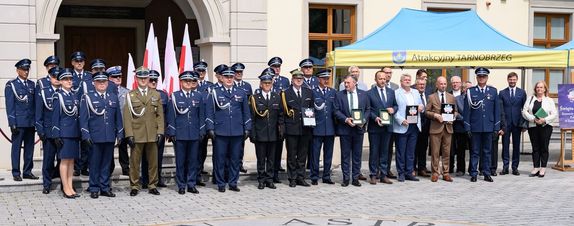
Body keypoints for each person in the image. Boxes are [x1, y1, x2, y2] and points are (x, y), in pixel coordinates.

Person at [206, 68, 252, 192]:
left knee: (235, 158)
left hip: (237, 130)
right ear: (222, 78)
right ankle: (221, 183)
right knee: (220, 159)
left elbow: (246, 112)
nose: (229, 79)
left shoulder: (241, 92)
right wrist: (210, 128)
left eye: (231, 77)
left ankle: (233, 182)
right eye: (227, 77)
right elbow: (210, 112)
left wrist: (247, 127)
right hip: (221, 130)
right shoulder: (215, 92)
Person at [79, 71, 123, 199]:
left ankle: (105, 187)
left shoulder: (113, 97)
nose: (102, 84)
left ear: (108, 82)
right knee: (94, 163)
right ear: (94, 83)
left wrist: (120, 133)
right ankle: (94, 187)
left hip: (109, 135)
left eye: (104, 81)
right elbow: (84, 119)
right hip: (95, 136)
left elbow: (118, 118)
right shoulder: (87, 97)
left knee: (106, 163)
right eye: (99, 82)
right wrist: (85, 135)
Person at [123, 67, 164, 196]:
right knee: (135, 162)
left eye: (145, 78)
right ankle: (134, 185)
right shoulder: (130, 95)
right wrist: (129, 134)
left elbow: (160, 115)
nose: (143, 80)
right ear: (136, 79)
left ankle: (152, 185)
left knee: (153, 162)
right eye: (140, 78)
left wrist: (160, 131)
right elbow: (127, 116)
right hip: (137, 133)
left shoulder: (156, 94)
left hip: (152, 133)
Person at [166, 71, 205, 194]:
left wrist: (202, 130)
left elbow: (201, 115)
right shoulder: (175, 96)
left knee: (193, 160)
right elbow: (171, 116)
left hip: (194, 133)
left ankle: (191, 184)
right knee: (180, 161)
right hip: (180, 134)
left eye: (190, 81)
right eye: (185, 81)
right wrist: (172, 132)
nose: (188, 83)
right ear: (181, 82)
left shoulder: (198, 96)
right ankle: (181, 185)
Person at [249, 68, 284, 189]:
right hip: (260, 133)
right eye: (265, 83)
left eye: (269, 83)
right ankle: (261, 180)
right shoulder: (254, 98)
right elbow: (252, 118)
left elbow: (280, 116)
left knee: (271, 159)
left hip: (273, 134)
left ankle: (269, 179)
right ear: (261, 84)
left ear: (272, 83)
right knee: (261, 159)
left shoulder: (277, 97)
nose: (267, 85)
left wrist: (281, 131)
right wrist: (252, 133)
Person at [334, 75, 370, 187]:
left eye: (348, 83)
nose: (346, 85)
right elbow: (336, 110)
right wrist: (345, 119)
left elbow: (368, 109)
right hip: (345, 128)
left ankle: (355, 178)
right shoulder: (339, 95)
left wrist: (363, 120)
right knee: (345, 155)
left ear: (355, 83)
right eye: (345, 83)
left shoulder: (363, 95)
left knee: (357, 155)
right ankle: (346, 178)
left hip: (359, 129)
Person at [464, 67, 500, 183]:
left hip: (489, 126)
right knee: (474, 151)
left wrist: (496, 127)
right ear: (477, 78)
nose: (482, 78)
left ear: (487, 77)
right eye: (480, 76)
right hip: (475, 126)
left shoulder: (493, 91)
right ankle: (473, 173)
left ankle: (486, 173)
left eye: (484, 76)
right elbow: (466, 111)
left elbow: (496, 111)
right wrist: (467, 127)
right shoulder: (471, 91)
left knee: (487, 151)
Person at [5, 58, 37, 182]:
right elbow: (10, 105)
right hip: (18, 123)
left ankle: (27, 171)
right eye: (23, 69)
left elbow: (33, 105)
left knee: (29, 148)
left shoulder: (31, 85)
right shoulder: (11, 85)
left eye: (27, 69)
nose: (26, 72)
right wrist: (12, 123)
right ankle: (16, 172)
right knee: (16, 148)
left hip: (30, 122)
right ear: (18, 70)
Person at [282, 69, 314, 187]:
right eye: (296, 78)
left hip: (305, 128)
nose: (299, 80)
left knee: (302, 155)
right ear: (292, 80)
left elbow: (311, 109)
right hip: (291, 128)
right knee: (291, 155)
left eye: (300, 79)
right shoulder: (285, 93)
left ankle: (301, 177)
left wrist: (311, 124)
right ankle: (292, 178)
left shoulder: (308, 92)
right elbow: (283, 112)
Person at [51, 68, 80, 198]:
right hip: (64, 132)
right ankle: (65, 188)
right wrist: (56, 134)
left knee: (71, 161)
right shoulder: (58, 95)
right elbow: (55, 116)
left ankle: (70, 185)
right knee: (64, 160)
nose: (69, 81)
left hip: (74, 132)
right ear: (61, 81)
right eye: (65, 79)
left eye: (70, 79)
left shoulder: (74, 95)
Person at [425, 77, 458, 182]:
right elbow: (426, 112)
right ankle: (435, 173)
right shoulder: (431, 97)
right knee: (435, 152)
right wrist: (435, 115)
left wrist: (453, 116)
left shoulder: (451, 97)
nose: (443, 86)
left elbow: (455, 111)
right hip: (435, 128)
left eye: (445, 84)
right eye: (441, 84)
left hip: (448, 128)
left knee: (446, 152)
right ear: (437, 85)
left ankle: (446, 173)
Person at [140, 70, 169, 188]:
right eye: (150, 80)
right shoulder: (141, 94)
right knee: (145, 156)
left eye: (155, 80)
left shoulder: (163, 95)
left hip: (159, 131)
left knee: (158, 156)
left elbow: (166, 114)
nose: (153, 82)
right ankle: (145, 179)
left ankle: (157, 178)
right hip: (144, 130)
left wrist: (165, 130)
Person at [522, 81, 556, 178]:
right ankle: (536, 167)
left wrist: (544, 120)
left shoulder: (549, 100)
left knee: (544, 147)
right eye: (537, 87)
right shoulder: (530, 99)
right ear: (535, 89)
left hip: (546, 127)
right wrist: (533, 119)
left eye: (541, 87)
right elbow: (524, 111)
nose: (539, 89)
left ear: (545, 89)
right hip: (533, 126)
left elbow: (554, 114)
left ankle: (543, 167)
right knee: (535, 147)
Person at [392, 74, 423, 182]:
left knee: (411, 151)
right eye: (405, 80)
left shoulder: (415, 92)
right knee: (401, 152)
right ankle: (401, 173)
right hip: (402, 126)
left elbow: (421, 105)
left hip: (414, 125)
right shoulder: (396, 93)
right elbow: (394, 110)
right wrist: (400, 120)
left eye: (409, 80)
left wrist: (421, 107)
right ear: (401, 81)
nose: (407, 81)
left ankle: (409, 172)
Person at [367, 70, 396, 185]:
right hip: (375, 127)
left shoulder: (391, 92)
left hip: (387, 127)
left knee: (385, 151)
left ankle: (383, 174)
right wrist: (375, 118)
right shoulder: (369, 93)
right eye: (380, 78)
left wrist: (393, 109)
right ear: (376, 80)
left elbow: (395, 105)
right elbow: (368, 110)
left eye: (384, 78)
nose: (383, 80)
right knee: (374, 151)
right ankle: (373, 174)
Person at [36, 66, 62, 194]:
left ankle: (65, 184)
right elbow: (38, 114)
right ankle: (47, 184)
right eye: (54, 77)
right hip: (49, 132)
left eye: (58, 77)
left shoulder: (66, 92)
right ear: (50, 77)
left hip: (63, 133)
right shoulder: (44, 92)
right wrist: (40, 131)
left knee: (63, 160)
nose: (56, 79)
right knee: (48, 160)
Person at [310, 69, 336, 185]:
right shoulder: (312, 92)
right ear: (318, 79)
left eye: (327, 78)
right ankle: (314, 176)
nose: (326, 80)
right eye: (324, 78)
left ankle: (326, 175)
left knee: (328, 153)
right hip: (317, 128)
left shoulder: (332, 92)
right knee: (315, 154)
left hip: (330, 128)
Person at [499, 72, 527, 175]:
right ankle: (505, 167)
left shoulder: (522, 92)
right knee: (505, 146)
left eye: (514, 79)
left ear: (517, 80)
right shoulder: (502, 93)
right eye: (510, 79)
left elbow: (525, 109)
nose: (512, 81)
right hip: (505, 124)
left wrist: (524, 124)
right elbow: (500, 110)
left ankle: (515, 167)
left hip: (517, 124)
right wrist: (501, 125)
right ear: (507, 80)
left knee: (516, 146)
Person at [268, 57, 290, 181]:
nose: (276, 69)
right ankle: (269, 171)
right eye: (274, 67)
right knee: (269, 148)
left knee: (279, 146)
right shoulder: (267, 79)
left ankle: (276, 171)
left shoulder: (285, 81)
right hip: (270, 118)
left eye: (278, 67)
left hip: (281, 118)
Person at [70, 51, 91, 176]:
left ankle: (84, 166)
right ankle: (76, 167)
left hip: (87, 112)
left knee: (85, 140)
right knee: (75, 141)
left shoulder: (89, 76)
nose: (79, 63)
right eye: (77, 61)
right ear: (72, 63)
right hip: (73, 112)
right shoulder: (69, 76)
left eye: (81, 61)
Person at [107, 66, 130, 176]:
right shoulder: (106, 92)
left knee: (123, 147)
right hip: (110, 125)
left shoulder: (127, 92)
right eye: (114, 76)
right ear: (109, 78)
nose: (118, 78)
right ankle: (109, 168)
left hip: (123, 124)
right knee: (109, 148)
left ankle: (125, 168)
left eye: (119, 76)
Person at [232, 62, 252, 174]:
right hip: (233, 120)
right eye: (237, 72)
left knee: (241, 145)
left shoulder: (247, 86)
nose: (239, 74)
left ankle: (240, 164)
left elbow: (250, 103)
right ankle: (233, 165)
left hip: (243, 119)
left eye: (240, 72)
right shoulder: (230, 85)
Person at [194, 60, 212, 185]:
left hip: (205, 123)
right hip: (193, 123)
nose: (201, 73)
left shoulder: (211, 86)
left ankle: (199, 172)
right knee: (194, 150)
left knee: (202, 150)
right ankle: (192, 174)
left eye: (203, 70)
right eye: (198, 70)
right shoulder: (191, 84)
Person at [450, 81, 472, 176]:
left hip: (473, 128)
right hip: (460, 128)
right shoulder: (457, 99)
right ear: (463, 89)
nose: (469, 90)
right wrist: (465, 120)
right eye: (467, 88)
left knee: (473, 149)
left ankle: (472, 169)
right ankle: (460, 169)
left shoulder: (475, 98)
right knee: (460, 150)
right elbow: (455, 112)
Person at [381, 67, 398, 179]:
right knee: (378, 149)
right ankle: (379, 170)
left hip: (390, 123)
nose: (388, 75)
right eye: (386, 72)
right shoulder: (374, 87)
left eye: (390, 73)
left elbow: (396, 104)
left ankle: (387, 170)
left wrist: (394, 109)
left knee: (389, 148)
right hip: (378, 122)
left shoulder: (395, 87)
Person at [413, 76, 431, 177]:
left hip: (426, 125)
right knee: (414, 148)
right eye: (420, 84)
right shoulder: (413, 95)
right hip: (415, 124)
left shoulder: (428, 95)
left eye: (423, 84)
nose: (422, 86)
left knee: (423, 148)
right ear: (416, 85)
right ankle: (413, 168)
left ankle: (422, 168)